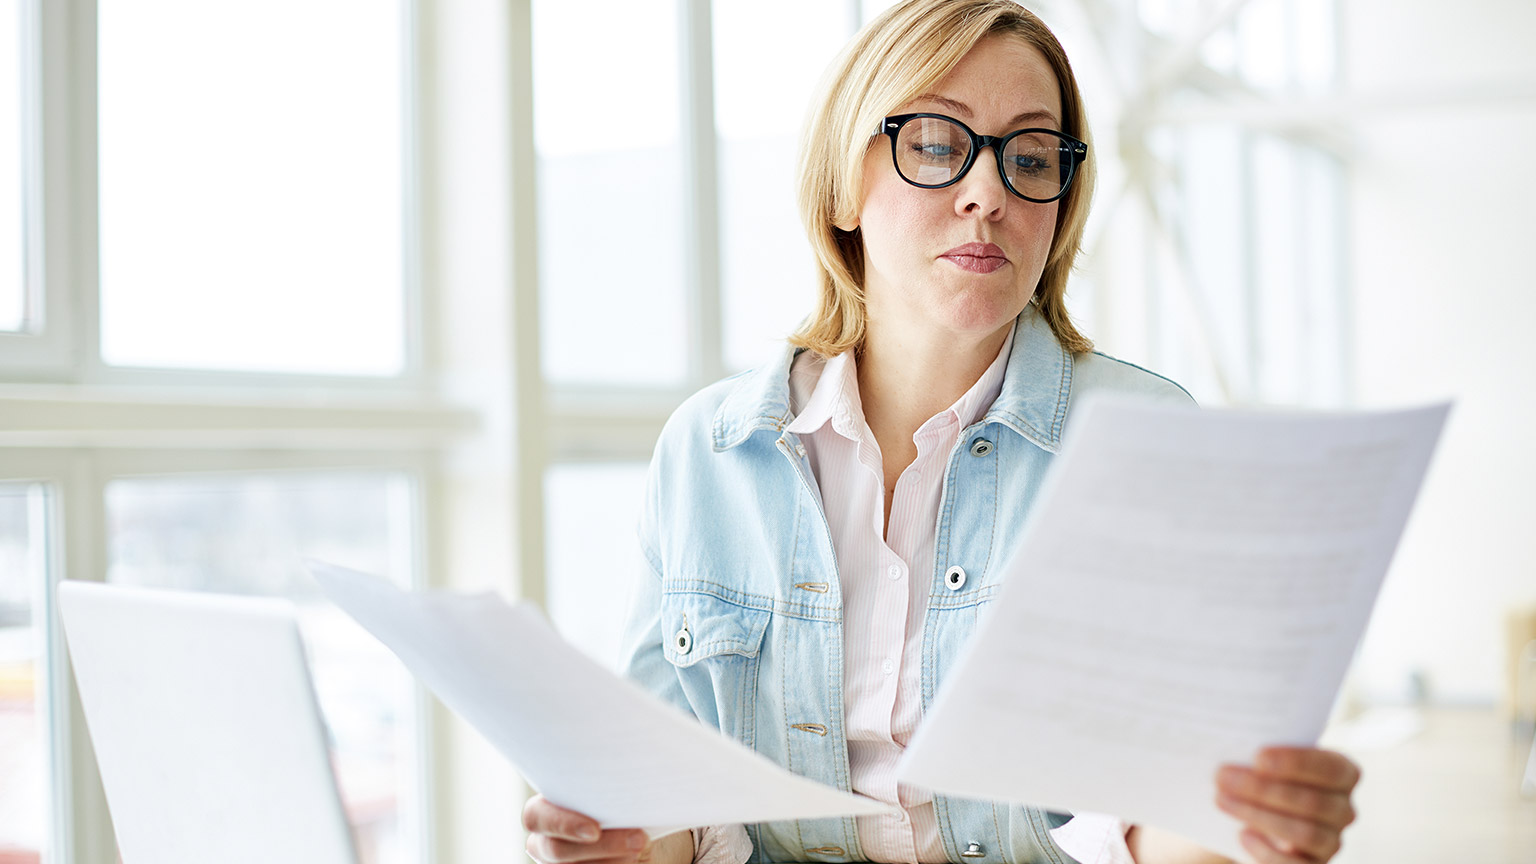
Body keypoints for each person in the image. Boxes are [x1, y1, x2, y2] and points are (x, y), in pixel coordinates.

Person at [525, 1, 1360, 862]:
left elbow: (1161, 808)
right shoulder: (709, 452)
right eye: (935, 144)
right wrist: (616, 843)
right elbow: (676, 806)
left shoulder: (1146, 440)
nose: (987, 194)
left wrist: (1249, 825)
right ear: (846, 182)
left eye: (1031, 157)